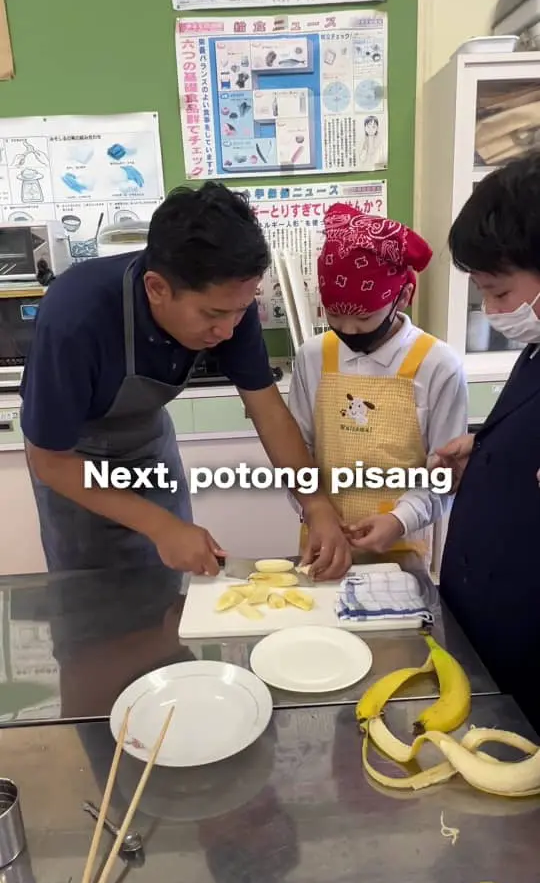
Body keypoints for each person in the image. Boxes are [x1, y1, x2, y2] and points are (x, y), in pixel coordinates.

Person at [20, 183, 350, 580]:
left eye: (239, 311)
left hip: (147, 448)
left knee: (172, 583)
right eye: (212, 315)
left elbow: (268, 411)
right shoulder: (75, 316)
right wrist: (161, 526)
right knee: (93, 596)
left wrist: (315, 502)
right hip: (73, 462)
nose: (227, 331)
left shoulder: (230, 305)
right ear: (157, 288)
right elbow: (48, 460)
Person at [287, 204, 468, 564]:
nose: (349, 330)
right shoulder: (313, 356)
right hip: (323, 537)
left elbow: (445, 475)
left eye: (364, 317)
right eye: (335, 316)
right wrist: (314, 509)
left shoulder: (438, 365)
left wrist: (400, 520)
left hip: (400, 545)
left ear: (402, 297)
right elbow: (295, 451)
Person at [435, 151, 540, 732]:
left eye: (499, 292)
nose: (492, 311)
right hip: (483, 623)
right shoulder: (535, 348)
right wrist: (487, 449)